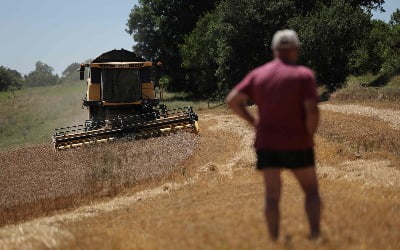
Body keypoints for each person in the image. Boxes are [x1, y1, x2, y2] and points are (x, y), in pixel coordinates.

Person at [226, 29, 321, 241]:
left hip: (267, 143)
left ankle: (274, 240)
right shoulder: (303, 75)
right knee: (311, 191)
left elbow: (232, 100)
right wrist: (309, 135)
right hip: (298, 141)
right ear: (296, 49)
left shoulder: (258, 75)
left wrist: (255, 123)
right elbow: (312, 110)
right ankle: (315, 235)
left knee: (271, 196)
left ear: (274, 50)